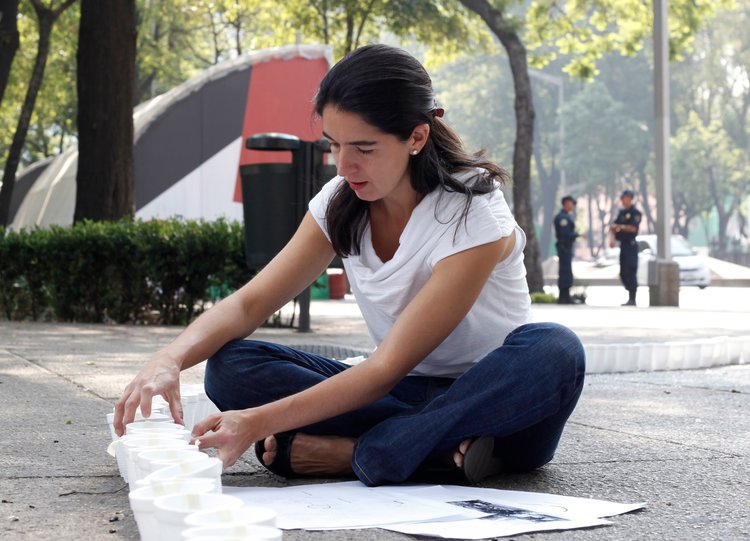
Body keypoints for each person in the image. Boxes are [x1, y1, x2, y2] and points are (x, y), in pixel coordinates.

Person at [114, 44, 585, 487]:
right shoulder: (341, 203)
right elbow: (247, 305)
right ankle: (432, 453)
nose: (344, 165)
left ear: (417, 136)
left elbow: (384, 367)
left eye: (363, 148)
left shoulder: (471, 208)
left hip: (494, 403)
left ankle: (363, 452)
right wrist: (168, 359)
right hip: (400, 397)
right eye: (333, 145)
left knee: (555, 348)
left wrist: (257, 421)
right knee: (230, 366)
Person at [610, 189, 642, 306]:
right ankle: (629, 293)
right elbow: (613, 227)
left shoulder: (635, 213)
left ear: (629, 198)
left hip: (631, 245)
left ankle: (632, 298)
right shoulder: (621, 213)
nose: (623, 200)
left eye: (625, 198)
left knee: (631, 271)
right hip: (623, 245)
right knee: (623, 273)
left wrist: (620, 227)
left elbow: (633, 228)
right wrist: (612, 239)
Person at [553, 195, 579, 304]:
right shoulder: (562, 218)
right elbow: (565, 234)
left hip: (567, 247)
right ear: (567, 203)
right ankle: (563, 297)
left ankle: (566, 296)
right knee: (565, 271)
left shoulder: (567, 216)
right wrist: (576, 234)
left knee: (567, 271)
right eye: (571, 203)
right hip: (564, 247)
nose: (573, 206)